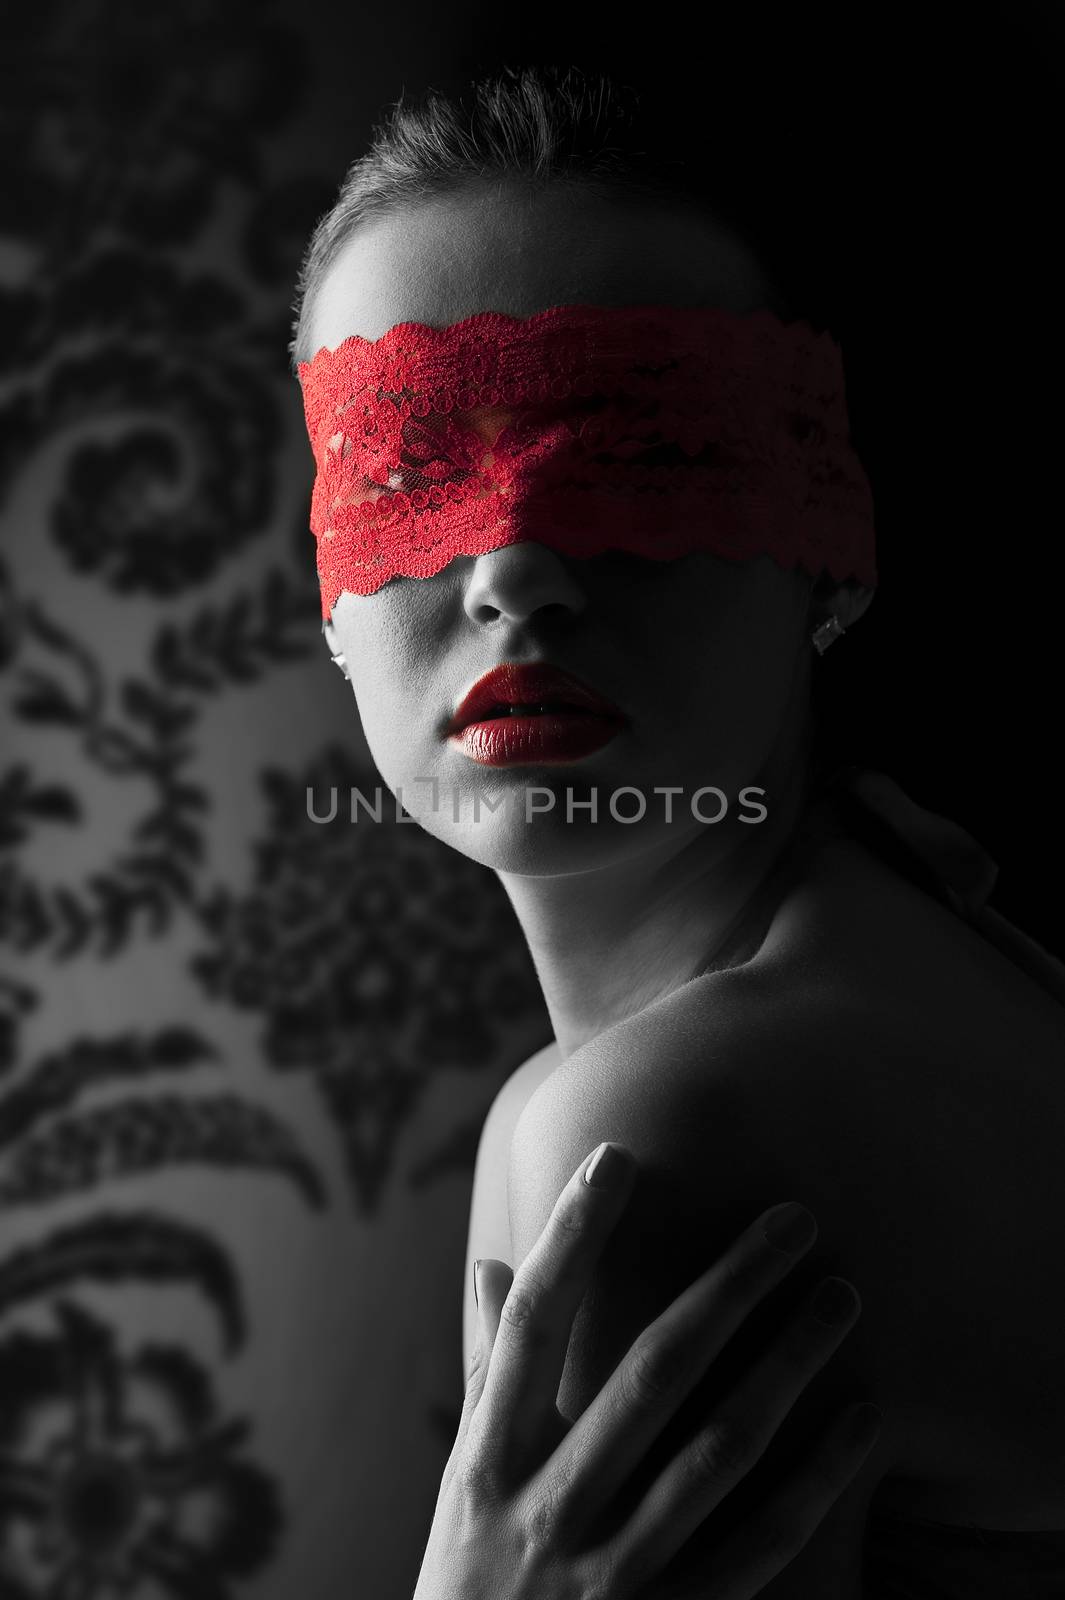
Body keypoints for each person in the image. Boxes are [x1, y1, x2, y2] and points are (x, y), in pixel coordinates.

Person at [290, 64, 1065, 1597]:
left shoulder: (667, 1120)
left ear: (832, 549)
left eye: (641, 454)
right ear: (326, 597)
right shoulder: (903, 908)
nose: (512, 562)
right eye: (404, 470)